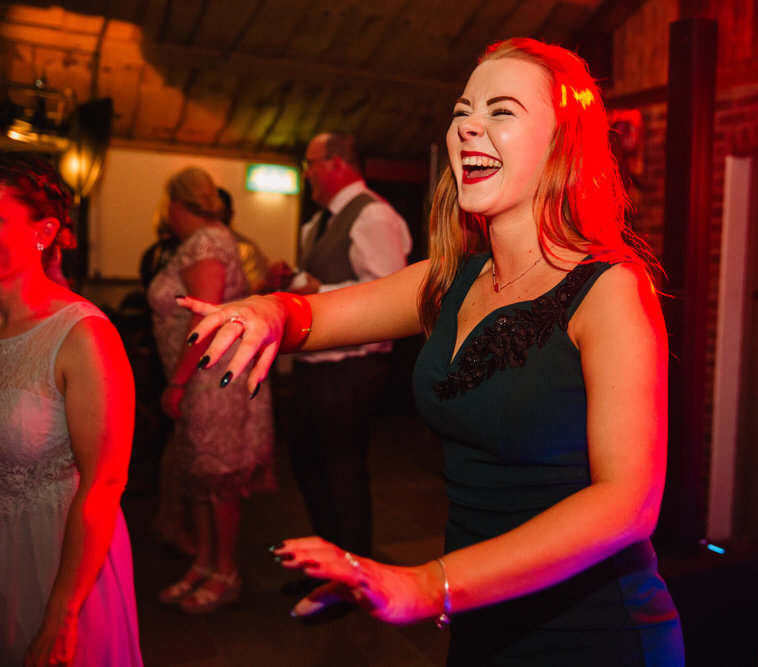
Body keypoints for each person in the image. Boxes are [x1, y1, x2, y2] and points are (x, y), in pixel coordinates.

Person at [179, 38, 684, 665]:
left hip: (591, 632)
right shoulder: (452, 278)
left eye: (501, 110)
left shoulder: (609, 288)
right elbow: (311, 317)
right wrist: (268, 310)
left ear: (562, 143)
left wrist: (427, 583)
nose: (469, 125)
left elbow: (628, 504)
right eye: (463, 110)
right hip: (481, 618)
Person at [0, 153, 143, 666]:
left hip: (57, 556)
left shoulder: (83, 336)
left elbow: (104, 481)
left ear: (44, 233)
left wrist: (62, 613)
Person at [147, 166, 275, 614]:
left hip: (212, 381)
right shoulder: (201, 242)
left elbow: (204, 317)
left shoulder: (206, 243)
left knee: (218, 478)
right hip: (201, 381)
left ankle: (225, 572)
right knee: (200, 478)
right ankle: (202, 564)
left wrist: (179, 382)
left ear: (177, 204)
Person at [281, 132, 411, 572]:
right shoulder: (318, 221)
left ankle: (355, 575)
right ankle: (323, 566)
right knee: (310, 469)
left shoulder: (373, 215)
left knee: (342, 475)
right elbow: (325, 278)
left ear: (336, 163)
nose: (307, 174)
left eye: (310, 164)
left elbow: (391, 294)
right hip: (314, 365)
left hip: (352, 368)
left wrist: (320, 292)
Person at [216, 187, 271, 294]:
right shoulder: (192, 244)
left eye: (219, 214)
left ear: (230, 214)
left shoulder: (246, 248)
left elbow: (257, 286)